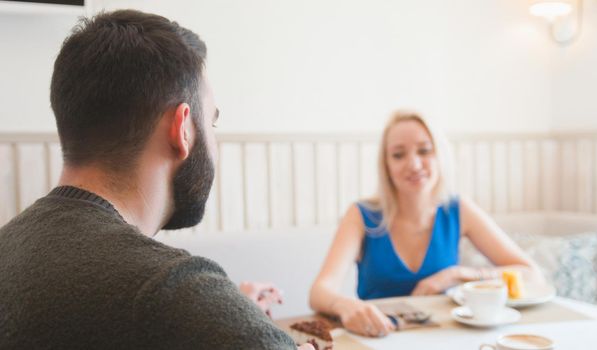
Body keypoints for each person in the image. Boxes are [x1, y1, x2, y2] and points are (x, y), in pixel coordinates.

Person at [0, 10, 312, 350]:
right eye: (213, 123)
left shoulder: (8, 246)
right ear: (183, 129)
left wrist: (225, 315)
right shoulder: (172, 290)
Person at [309, 110, 542, 337]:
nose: (414, 164)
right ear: (386, 165)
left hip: (445, 339)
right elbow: (319, 292)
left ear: (440, 156)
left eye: (424, 151)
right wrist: (344, 304)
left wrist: (457, 274)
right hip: (377, 339)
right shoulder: (361, 215)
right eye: (399, 155)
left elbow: (530, 274)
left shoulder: (459, 210)